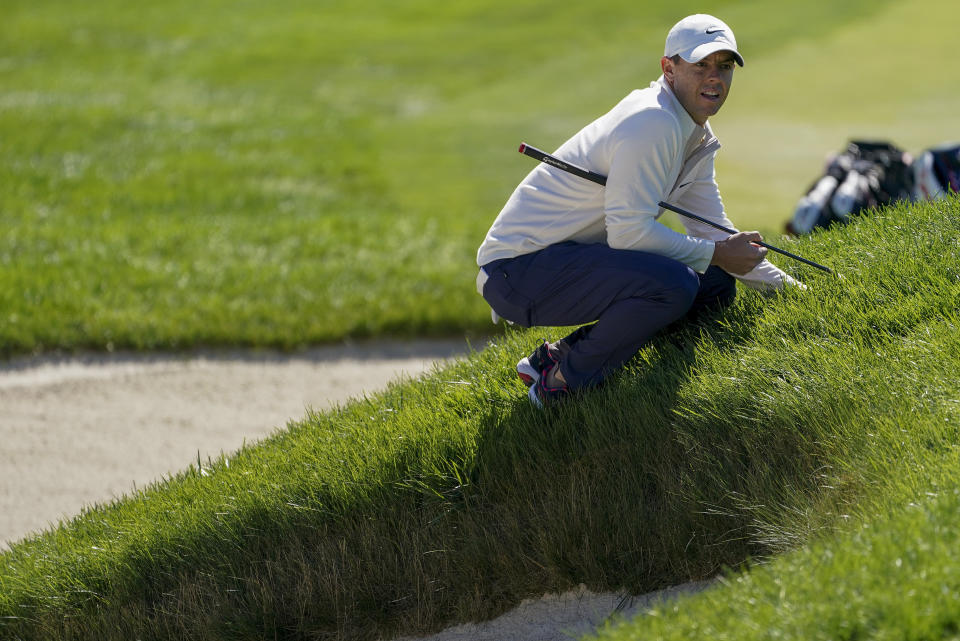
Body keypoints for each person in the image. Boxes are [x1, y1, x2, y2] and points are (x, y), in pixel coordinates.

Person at [475, 14, 803, 408]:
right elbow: (628, 234)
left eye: (724, 66)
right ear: (669, 68)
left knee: (713, 283)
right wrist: (718, 252)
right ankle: (560, 386)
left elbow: (715, 234)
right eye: (700, 65)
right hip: (517, 271)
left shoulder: (693, 133)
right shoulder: (654, 121)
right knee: (676, 284)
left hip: (558, 261)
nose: (714, 77)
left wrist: (797, 295)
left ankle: (554, 357)